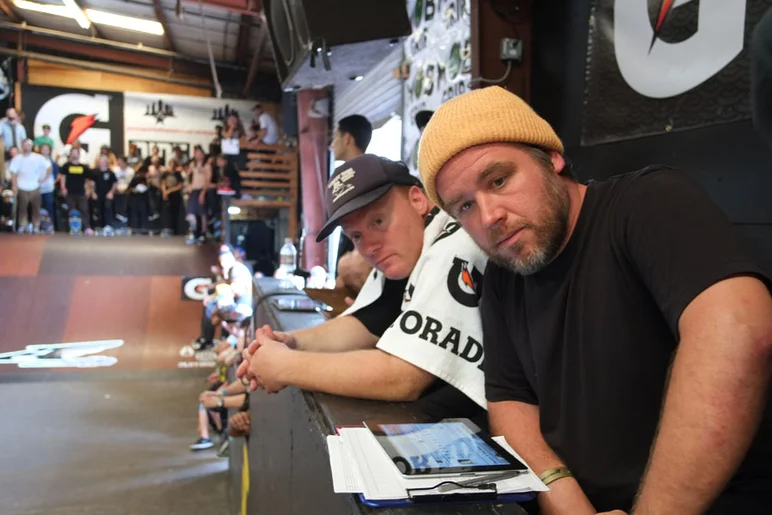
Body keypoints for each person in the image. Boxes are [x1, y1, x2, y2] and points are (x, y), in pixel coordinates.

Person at [417, 85, 772, 514]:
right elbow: (511, 401)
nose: (489, 216)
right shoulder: (501, 278)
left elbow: (738, 329)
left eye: (499, 179)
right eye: (465, 206)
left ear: (551, 158)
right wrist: (566, 501)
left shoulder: (645, 204)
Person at [237, 155, 489, 424]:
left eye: (378, 221)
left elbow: (404, 377)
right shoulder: (406, 249)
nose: (369, 247)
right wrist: (291, 342)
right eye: (356, 235)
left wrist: (284, 366)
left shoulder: (453, 247)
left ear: (417, 199)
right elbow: (365, 324)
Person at [329, 115, 374, 267]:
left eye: (335, 137)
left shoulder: (363, 176)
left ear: (347, 138)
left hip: (358, 264)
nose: (332, 145)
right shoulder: (362, 173)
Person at [9, 139, 51, 233]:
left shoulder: (38, 157)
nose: (26, 147)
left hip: (34, 186)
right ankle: (22, 225)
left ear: (31, 146)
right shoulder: (17, 158)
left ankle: (36, 226)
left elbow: (49, 167)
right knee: (22, 208)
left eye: (28, 145)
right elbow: (13, 172)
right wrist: (14, 185)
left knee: (36, 208)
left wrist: (44, 179)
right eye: (24, 145)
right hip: (22, 187)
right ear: (22, 146)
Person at [59, 147, 93, 234]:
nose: (74, 154)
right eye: (73, 153)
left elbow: (88, 180)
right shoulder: (66, 166)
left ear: (79, 154)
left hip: (81, 192)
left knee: (84, 210)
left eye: (76, 153)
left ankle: (86, 227)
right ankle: (72, 228)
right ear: (70, 154)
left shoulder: (84, 167)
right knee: (71, 210)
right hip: (70, 192)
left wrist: (88, 189)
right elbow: (63, 178)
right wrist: (63, 188)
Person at [186, 146, 211, 244]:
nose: (198, 155)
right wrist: (189, 185)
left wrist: (203, 193)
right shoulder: (193, 164)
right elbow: (188, 175)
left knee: (202, 213)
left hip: (202, 190)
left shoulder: (207, 165)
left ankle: (203, 234)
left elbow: (208, 179)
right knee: (191, 213)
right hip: (194, 190)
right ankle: (194, 232)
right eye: (197, 153)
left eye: (200, 153)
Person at [90, 156, 117, 231]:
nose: (102, 163)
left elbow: (114, 184)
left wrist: (111, 192)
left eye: (104, 162)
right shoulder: (95, 172)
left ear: (106, 163)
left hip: (107, 194)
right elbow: (92, 184)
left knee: (107, 208)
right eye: (101, 162)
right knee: (98, 210)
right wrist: (93, 193)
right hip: (98, 194)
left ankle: (108, 225)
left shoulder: (110, 173)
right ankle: (99, 225)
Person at [160, 160, 184, 236]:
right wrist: (164, 192)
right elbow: (163, 183)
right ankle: (167, 228)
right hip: (167, 195)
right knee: (167, 212)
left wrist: (170, 190)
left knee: (176, 212)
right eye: (170, 164)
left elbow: (180, 185)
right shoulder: (166, 174)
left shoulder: (178, 174)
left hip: (175, 195)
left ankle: (176, 229)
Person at [38, 143, 58, 232]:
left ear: (49, 151)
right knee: (38, 208)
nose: (45, 151)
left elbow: (56, 175)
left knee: (49, 207)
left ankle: (50, 226)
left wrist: (51, 183)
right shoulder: (36, 161)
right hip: (37, 188)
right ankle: (38, 226)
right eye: (43, 149)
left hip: (49, 188)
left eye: (47, 149)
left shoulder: (53, 163)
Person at [112, 156, 134, 230]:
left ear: (125, 162)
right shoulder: (115, 170)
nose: (119, 163)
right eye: (118, 161)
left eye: (120, 161)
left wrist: (125, 189)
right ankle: (117, 218)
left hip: (127, 191)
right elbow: (114, 182)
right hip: (117, 191)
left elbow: (130, 183)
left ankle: (125, 220)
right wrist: (117, 189)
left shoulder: (130, 171)